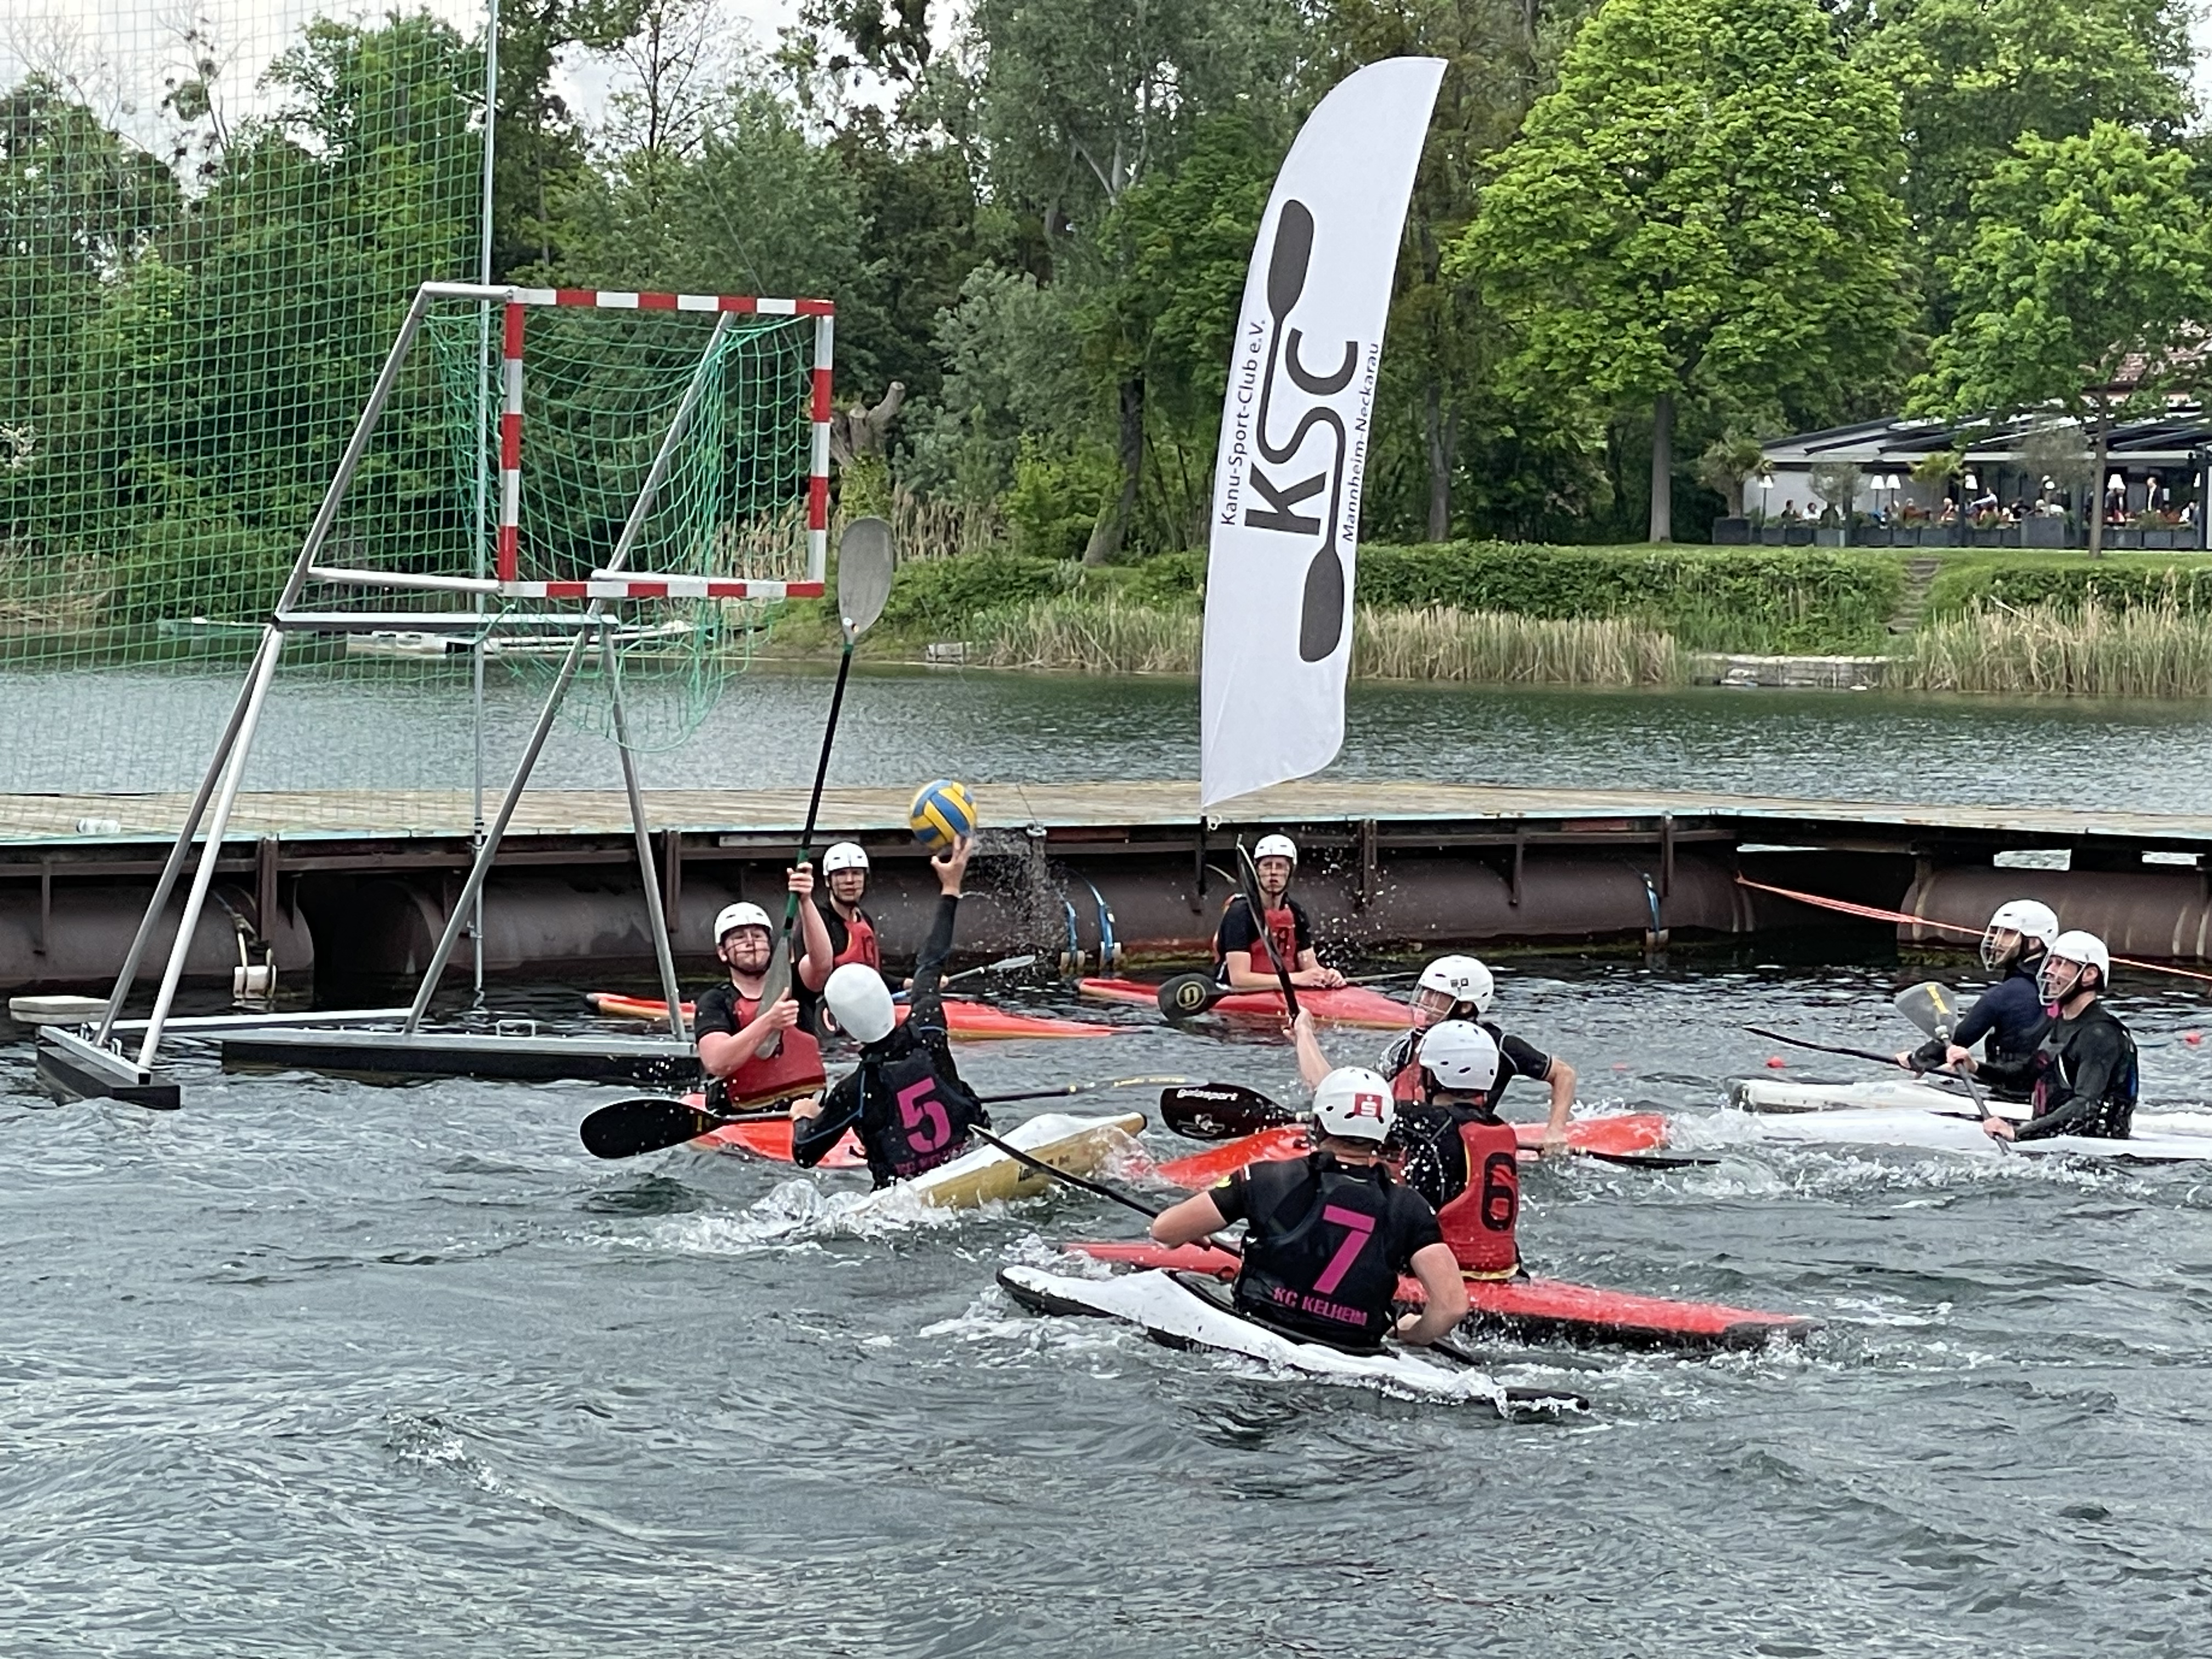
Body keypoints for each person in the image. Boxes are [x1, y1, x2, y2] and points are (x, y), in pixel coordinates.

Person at [1149, 1066, 1468, 1351]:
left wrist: (1195, 1232)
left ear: (1318, 1121)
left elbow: (1164, 1230)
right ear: (1383, 1130)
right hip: (1353, 1351)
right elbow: (1451, 1306)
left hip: (1257, 1333)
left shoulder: (1266, 1177)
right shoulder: (1409, 1206)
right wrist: (1414, 1334)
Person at [792, 837, 989, 1186]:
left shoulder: (855, 1088)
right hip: (970, 1160)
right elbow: (931, 960)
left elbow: (805, 1153)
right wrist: (951, 888)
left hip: (905, 1202)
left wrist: (803, 1117)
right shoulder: (929, 1029)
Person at [1301, 953, 1577, 1154]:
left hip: (1460, 1144)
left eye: (1436, 997)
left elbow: (1563, 1073)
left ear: (1467, 1007)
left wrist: (1555, 1130)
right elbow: (1356, 1088)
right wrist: (1304, 1035)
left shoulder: (1499, 1045)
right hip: (1411, 1131)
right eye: (1424, 995)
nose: (1424, 1004)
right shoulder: (1411, 1042)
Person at [1967, 931, 2137, 1142]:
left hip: (2096, 1154)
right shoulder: (2060, 1024)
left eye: (2060, 964)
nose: (2048, 970)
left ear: (2089, 974)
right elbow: (2025, 1078)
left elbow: (2086, 1105)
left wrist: (2019, 1134)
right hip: (2055, 1146)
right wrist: (1974, 1067)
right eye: (2050, 963)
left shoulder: (2101, 1034)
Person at [693, 865, 836, 1113]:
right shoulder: (716, 1001)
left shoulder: (794, 983)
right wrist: (770, 1021)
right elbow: (717, 1062)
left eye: (757, 936)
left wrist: (805, 901)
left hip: (810, 1108)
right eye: (739, 938)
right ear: (722, 953)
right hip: (748, 1116)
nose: (750, 944)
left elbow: (822, 964)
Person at [1387, 1021, 1523, 1280]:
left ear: (1431, 1076)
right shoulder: (1502, 1130)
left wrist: (1305, 1036)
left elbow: (1354, 1105)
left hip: (1441, 1275)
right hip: (1503, 1268)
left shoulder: (1430, 1122)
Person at [1896, 899, 2059, 1088]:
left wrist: (1917, 1059)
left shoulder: (2003, 995)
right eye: (1996, 933)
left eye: (2007, 934)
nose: (1996, 942)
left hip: (2012, 1091)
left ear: (2034, 943)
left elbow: (1961, 1038)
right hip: (2051, 1089)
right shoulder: (2065, 989)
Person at [1214, 833, 1345, 991]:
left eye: (1280, 866)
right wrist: (1295, 979)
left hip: (1285, 988)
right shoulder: (1240, 914)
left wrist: (1329, 975)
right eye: (1267, 866)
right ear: (1257, 871)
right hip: (1236, 993)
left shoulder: (1296, 912)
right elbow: (1239, 979)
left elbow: (1310, 967)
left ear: (1290, 872)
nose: (1273, 872)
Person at [817, 842, 881, 972]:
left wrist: (906, 983)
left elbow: (873, 975)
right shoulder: (818, 921)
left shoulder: (865, 920)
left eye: (856, 873)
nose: (850, 880)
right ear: (828, 881)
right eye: (841, 874)